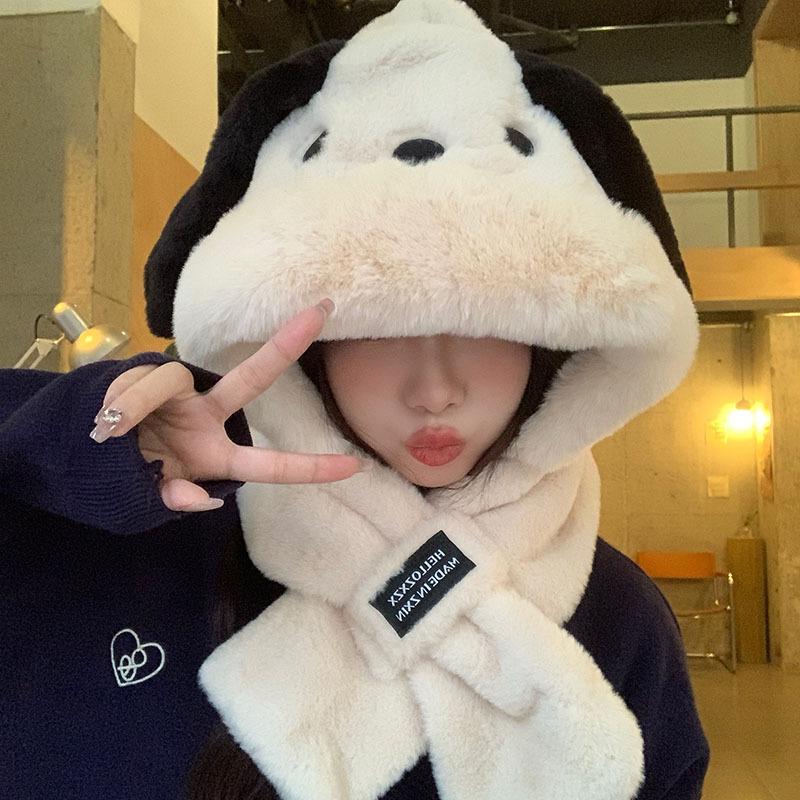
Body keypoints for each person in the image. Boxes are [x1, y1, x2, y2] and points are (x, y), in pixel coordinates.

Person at [1, 0, 710, 798]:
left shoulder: (618, 618)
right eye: (378, 331)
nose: (435, 390)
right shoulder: (148, 538)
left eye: (485, 329)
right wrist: (74, 450)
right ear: (312, 348)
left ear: (551, 348)